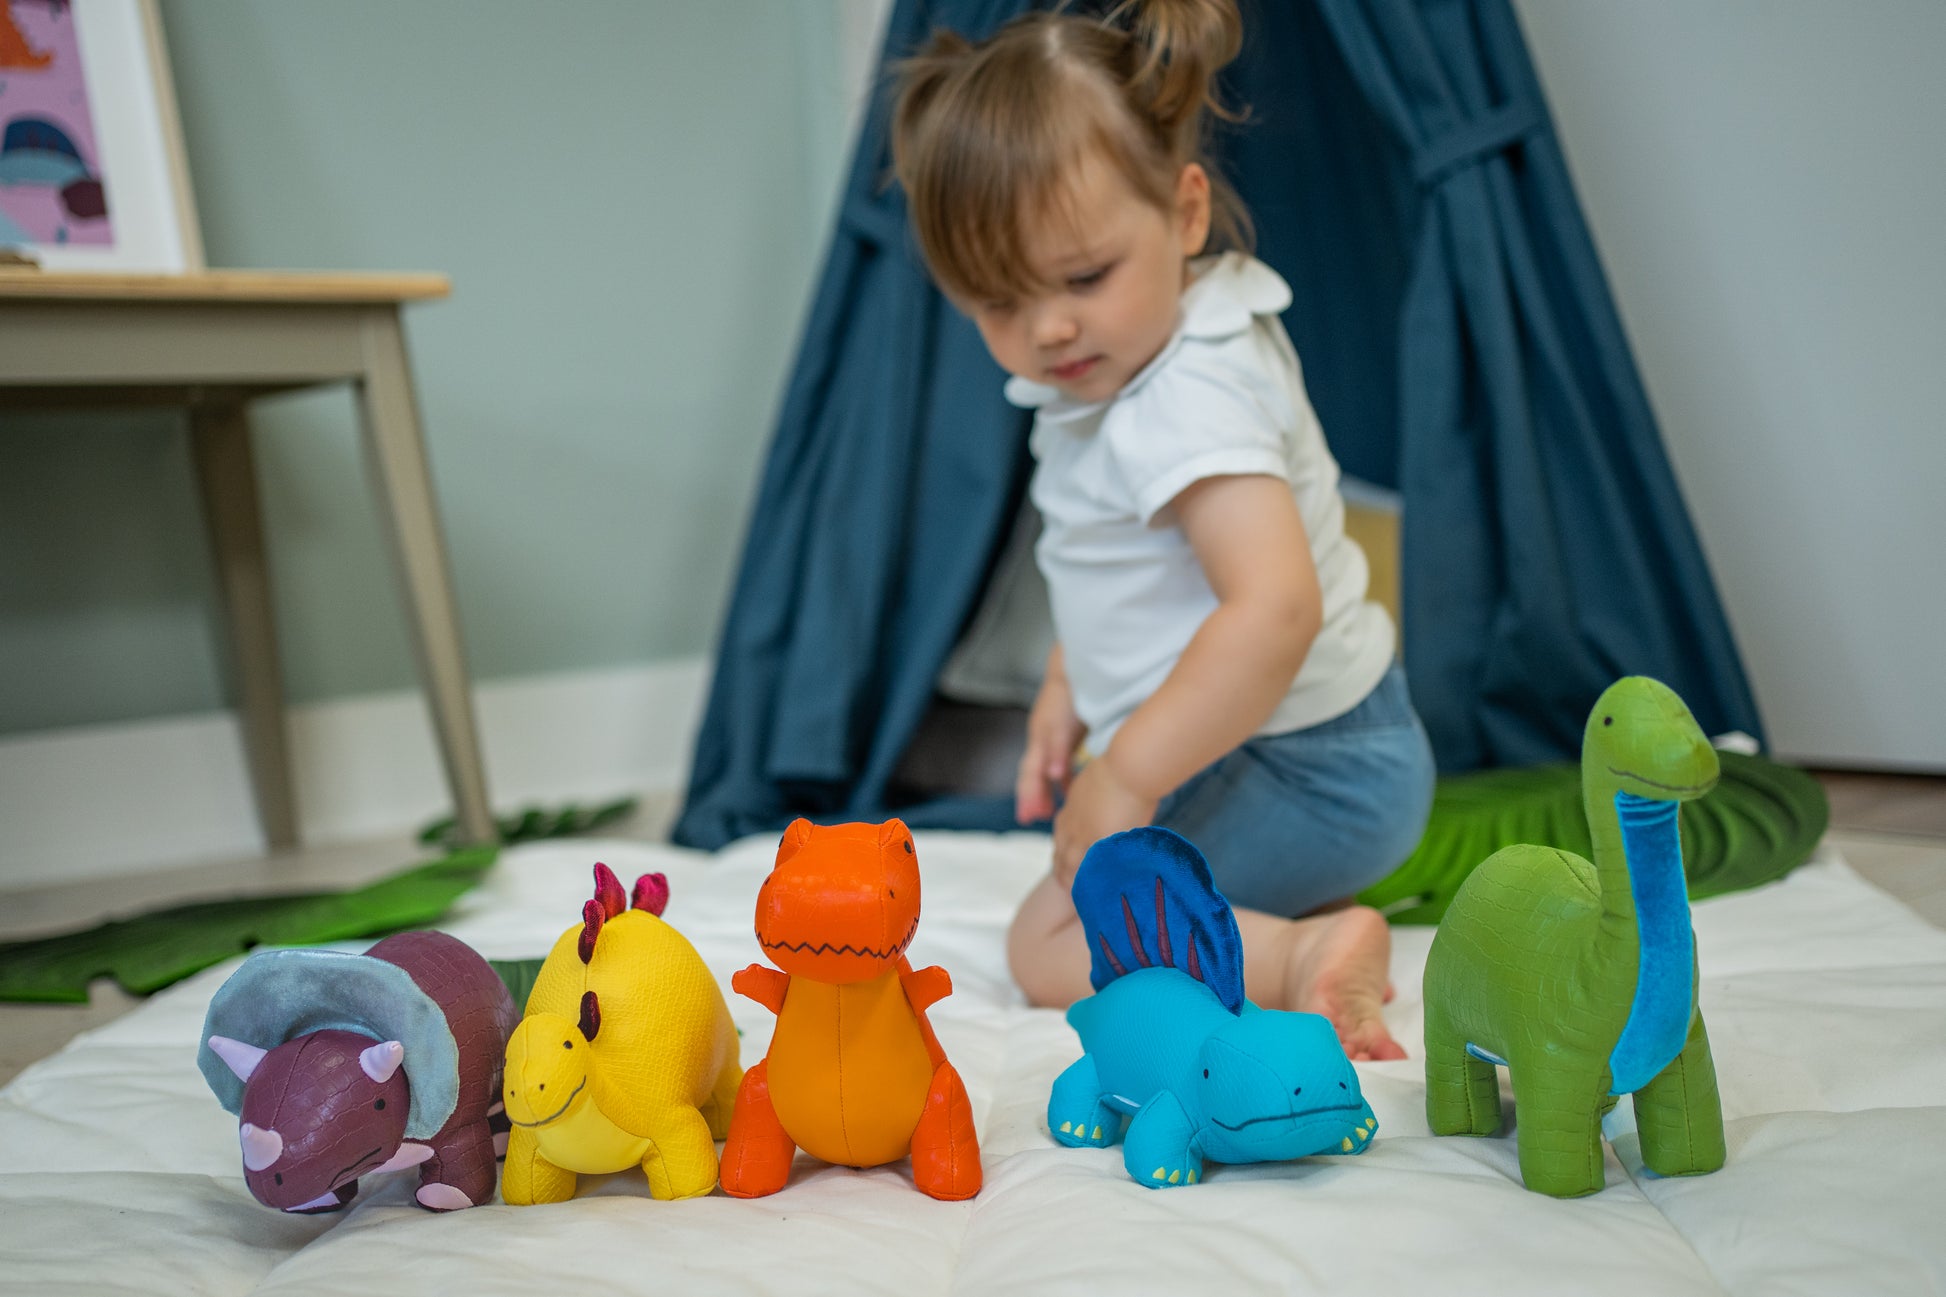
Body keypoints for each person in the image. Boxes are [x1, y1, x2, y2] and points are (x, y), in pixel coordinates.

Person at [891, 0, 1435, 1060]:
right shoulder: (1122, 367)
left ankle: (1300, 953)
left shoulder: (1190, 396)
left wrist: (1129, 773)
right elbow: (1126, 568)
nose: (1049, 328)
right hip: (1293, 750)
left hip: (1315, 766)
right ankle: (1280, 919)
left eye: (1083, 277)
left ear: (1186, 213)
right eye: (999, 303)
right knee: (1076, 901)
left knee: (1049, 942)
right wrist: (1070, 682)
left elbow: (1274, 610)